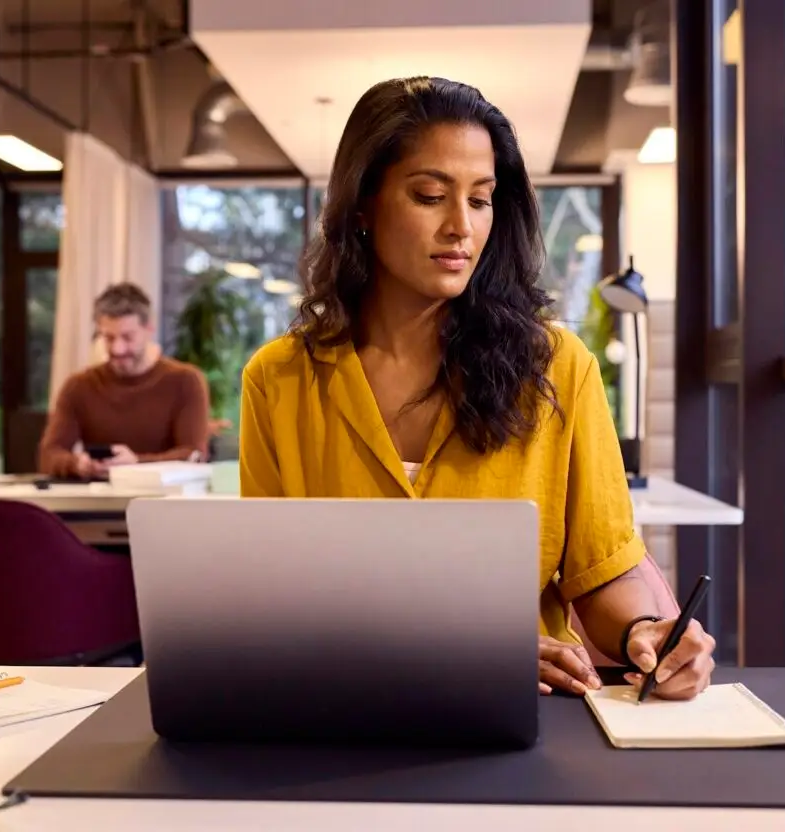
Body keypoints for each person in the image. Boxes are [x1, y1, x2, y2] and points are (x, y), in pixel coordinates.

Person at [238, 77, 716, 700]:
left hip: (519, 715)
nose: (460, 227)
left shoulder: (557, 367)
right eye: (430, 195)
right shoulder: (279, 380)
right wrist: (461, 652)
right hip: (340, 711)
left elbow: (601, 573)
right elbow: (267, 598)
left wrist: (646, 634)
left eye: (482, 199)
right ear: (362, 206)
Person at [39, 283, 210, 479]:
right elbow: (49, 455)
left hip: (163, 503)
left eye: (128, 337)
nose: (118, 349)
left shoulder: (185, 381)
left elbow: (194, 454)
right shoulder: (78, 386)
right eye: (109, 338)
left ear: (149, 329)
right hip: (97, 502)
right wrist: (78, 464)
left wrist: (136, 463)